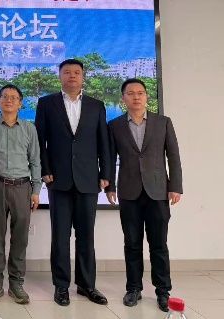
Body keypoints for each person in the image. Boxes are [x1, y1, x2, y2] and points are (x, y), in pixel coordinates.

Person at [35, 59, 110, 307]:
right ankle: (61, 286)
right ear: (59, 76)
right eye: (66, 72)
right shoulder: (47, 103)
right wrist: (45, 169)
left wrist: (106, 173)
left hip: (88, 179)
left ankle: (87, 285)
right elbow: (40, 140)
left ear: (83, 76)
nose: (72, 76)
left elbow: (103, 142)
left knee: (86, 236)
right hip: (58, 179)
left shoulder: (96, 106)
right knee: (60, 236)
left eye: (76, 72)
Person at [107, 78, 183, 313]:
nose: (136, 97)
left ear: (146, 96)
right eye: (131, 93)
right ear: (123, 98)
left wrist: (175, 186)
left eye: (140, 93)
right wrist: (109, 187)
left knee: (159, 244)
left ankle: (163, 291)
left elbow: (173, 155)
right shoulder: (115, 125)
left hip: (158, 191)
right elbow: (109, 158)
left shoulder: (163, 122)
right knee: (132, 243)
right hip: (129, 191)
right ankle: (133, 288)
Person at [0, 84, 41, 305]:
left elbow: (35, 161)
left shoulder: (29, 128)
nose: (9, 100)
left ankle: (16, 284)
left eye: (14, 97)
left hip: (22, 187)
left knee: (20, 238)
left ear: (20, 103)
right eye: (5, 96)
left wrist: (36, 190)